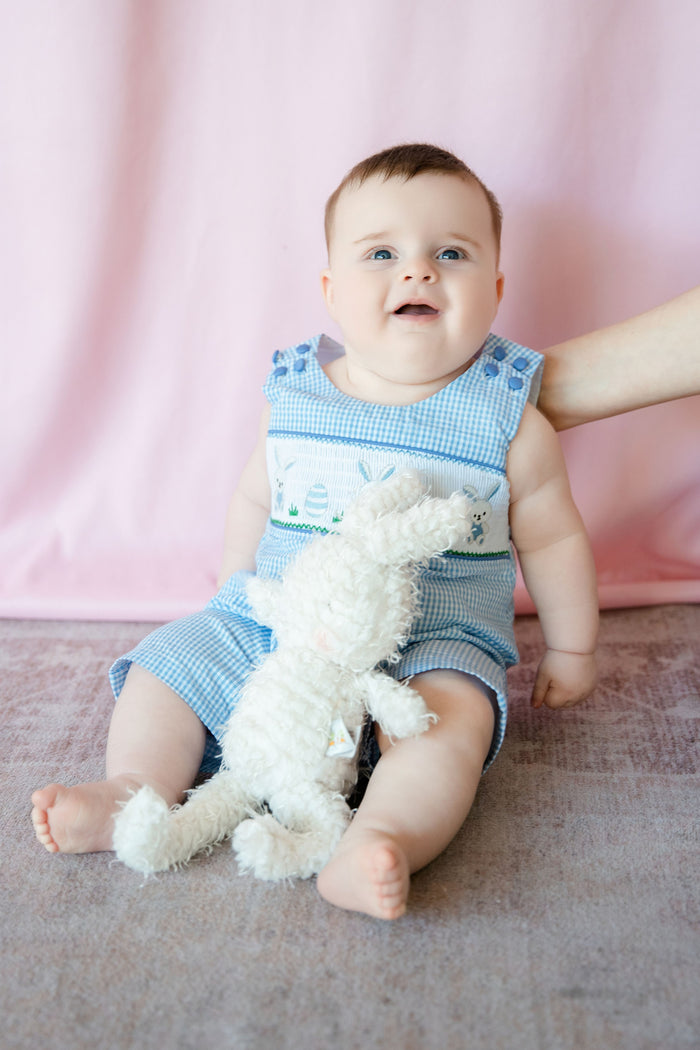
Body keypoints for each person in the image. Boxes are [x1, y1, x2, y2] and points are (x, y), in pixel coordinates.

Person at [31, 143, 602, 921]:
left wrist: (573, 647)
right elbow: (251, 502)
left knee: (450, 724)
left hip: (433, 641)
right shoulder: (295, 397)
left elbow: (556, 540)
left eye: (451, 253)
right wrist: (235, 601)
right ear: (331, 292)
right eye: (382, 253)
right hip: (280, 625)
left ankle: (382, 834)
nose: (418, 271)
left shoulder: (510, 421)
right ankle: (133, 789)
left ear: (496, 290)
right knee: (168, 664)